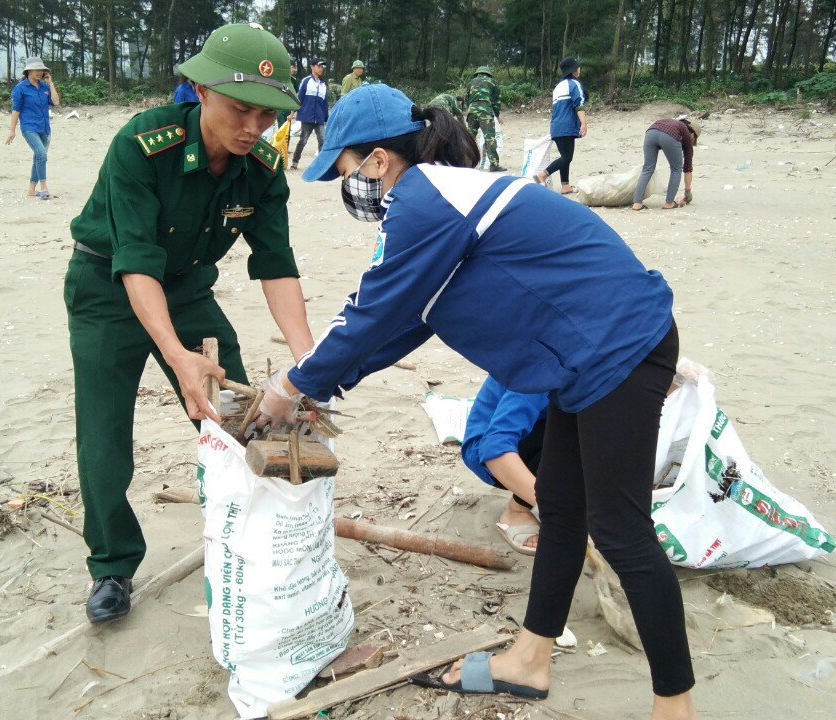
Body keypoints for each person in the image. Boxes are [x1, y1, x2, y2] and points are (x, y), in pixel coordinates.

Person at [256, 83, 698, 719]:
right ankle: (529, 660)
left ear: (378, 161)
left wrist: (289, 386)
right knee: (565, 508)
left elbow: (371, 311)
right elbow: (407, 321)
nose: (347, 186)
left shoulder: (424, 200)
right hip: (582, 358)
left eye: (346, 170)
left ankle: (675, 709)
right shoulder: (436, 200)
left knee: (620, 530)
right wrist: (319, 386)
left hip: (618, 349)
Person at [65, 22, 314, 624]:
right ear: (201, 92)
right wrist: (178, 356)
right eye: (240, 110)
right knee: (104, 434)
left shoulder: (262, 165)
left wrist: (311, 360)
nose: (253, 127)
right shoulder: (142, 144)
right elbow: (135, 264)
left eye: (268, 114)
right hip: (108, 287)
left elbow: (276, 264)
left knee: (238, 414)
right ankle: (112, 565)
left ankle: (244, 529)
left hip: (188, 289)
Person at [461, 377, 548, 555]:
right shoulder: (546, 366)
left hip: (534, 426)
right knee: (574, 430)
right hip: (490, 448)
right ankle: (517, 509)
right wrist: (556, 510)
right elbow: (494, 447)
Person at [5, 57, 60, 199]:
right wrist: (12, 130)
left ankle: (31, 189)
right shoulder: (20, 88)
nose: (39, 72)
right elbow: (15, 110)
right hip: (29, 127)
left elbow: (56, 102)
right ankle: (43, 187)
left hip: (45, 128)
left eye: (41, 70)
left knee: (38, 157)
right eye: (36, 69)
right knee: (42, 154)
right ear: (28, 71)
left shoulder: (44, 87)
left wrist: (51, 83)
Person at [534, 57, 587, 195]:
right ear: (574, 70)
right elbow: (578, 104)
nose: (579, 69)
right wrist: (584, 123)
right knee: (567, 157)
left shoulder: (558, 87)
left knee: (565, 156)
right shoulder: (574, 84)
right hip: (567, 126)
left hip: (556, 126)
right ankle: (543, 175)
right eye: (578, 67)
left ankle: (565, 185)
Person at [632, 116, 699, 210]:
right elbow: (688, 167)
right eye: (694, 139)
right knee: (676, 169)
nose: (692, 141)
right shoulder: (685, 133)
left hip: (651, 132)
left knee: (647, 169)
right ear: (692, 133)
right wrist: (688, 192)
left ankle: (637, 204)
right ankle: (669, 203)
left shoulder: (673, 123)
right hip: (669, 135)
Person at [290, 59, 329, 170]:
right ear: (312, 67)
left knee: (322, 140)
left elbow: (325, 103)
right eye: (319, 66)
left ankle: (320, 165)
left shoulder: (323, 84)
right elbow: (299, 98)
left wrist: (326, 118)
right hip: (307, 117)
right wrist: (292, 112)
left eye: (322, 67)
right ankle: (295, 162)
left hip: (319, 118)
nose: (321, 68)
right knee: (303, 140)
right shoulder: (306, 81)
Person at [464, 66, 503, 172]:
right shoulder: (492, 82)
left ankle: (465, 163)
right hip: (485, 110)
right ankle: (494, 165)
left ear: (477, 73)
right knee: (489, 138)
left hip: (472, 111)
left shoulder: (470, 82)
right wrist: (497, 114)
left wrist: (471, 109)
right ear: (488, 74)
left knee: (470, 138)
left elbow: (466, 99)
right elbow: (496, 101)